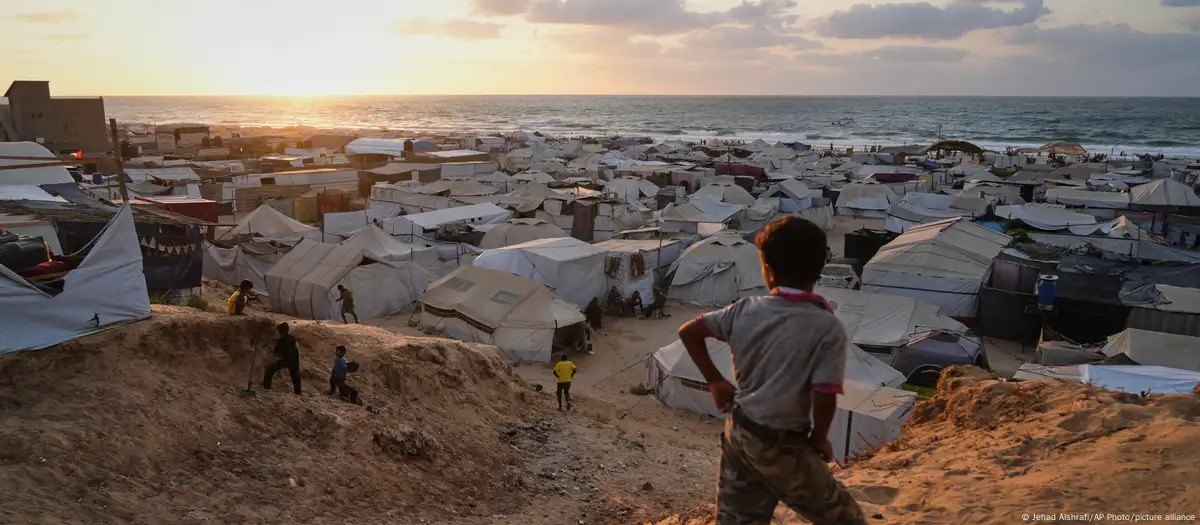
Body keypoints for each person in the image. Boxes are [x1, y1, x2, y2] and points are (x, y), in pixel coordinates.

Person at [676, 216, 866, 525]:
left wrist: (715, 381)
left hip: (741, 432)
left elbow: (689, 332)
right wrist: (820, 438)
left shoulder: (744, 310)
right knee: (846, 518)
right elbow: (824, 393)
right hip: (784, 444)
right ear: (820, 268)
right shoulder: (826, 326)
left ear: (767, 269)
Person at [263, 322, 302, 395]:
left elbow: (278, 353)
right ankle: (298, 392)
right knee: (295, 375)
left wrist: (273, 351)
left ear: (281, 331)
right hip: (294, 358)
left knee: (270, 370)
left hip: (286, 359)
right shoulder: (292, 338)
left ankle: (266, 387)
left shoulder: (282, 340)